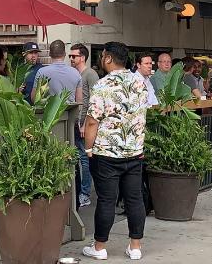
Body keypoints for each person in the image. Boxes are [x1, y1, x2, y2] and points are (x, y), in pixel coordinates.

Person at [82, 42, 149, 261]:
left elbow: (92, 122)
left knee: (106, 200)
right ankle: (135, 246)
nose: (101, 60)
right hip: (134, 152)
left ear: (108, 58)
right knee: (135, 198)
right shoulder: (140, 82)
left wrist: (89, 149)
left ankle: (100, 248)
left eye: (102, 56)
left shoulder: (102, 85)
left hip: (107, 154)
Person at [71, 43, 99, 208]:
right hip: (76, 122)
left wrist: (85, 125)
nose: (71, 59)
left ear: (82, 57)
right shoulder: (76, 74)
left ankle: (85, 193)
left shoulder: (90, 74)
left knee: (84, 159)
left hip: (84, 124)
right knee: (78, 157)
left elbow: (94, 101)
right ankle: (81, 192)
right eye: (70, 56)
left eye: (73, 56)